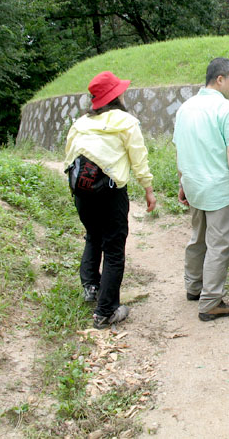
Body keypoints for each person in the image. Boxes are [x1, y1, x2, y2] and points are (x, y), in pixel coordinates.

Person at [64, 71, 157, 330]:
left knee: (93, 236)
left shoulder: (80, 123)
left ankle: (91, 288)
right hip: (111, 191)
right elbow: (138, 158)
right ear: (115, 95)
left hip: (82, 191)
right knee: (114, 248)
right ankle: (106, 312)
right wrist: (148, 189)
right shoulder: (125, 121)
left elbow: (69, 158)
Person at [173, 57, 229, 321]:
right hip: (218, 189)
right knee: (219, 245)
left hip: (194, 186)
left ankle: (193, 288)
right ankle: (210, 302)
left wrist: (182, 181)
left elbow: (180, 147)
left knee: (198, 239)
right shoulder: (225, 109)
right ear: (220, 79)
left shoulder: (186, 107)